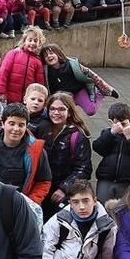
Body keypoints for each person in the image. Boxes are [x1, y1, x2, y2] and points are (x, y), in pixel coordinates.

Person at [40, 92, 93, 220]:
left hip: (62, 192)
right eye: (52, 109)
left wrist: (64, 188)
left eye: (61, 109)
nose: (56, 113)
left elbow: (83, 169)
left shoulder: (77, 136)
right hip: (42, 188)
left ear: (69, 112)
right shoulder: (42, 129)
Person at [92, 102, 130, 203]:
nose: (120, 127)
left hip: (128, 181)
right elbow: (98, 148)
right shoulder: (108, 133)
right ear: (111, 122)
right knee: (102, 207)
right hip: (106, 179)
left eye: (124, 124)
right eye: (117, 124)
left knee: (124, 209)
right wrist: (111, 134)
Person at [0, 103, 51, 205]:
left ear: (26, 126)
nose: (16, 129)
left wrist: (30, 202)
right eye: (12, 123)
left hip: (22, 204)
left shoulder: (37, 150)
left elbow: (44, 181)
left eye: (21, 125)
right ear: (3, 123)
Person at [40, 43, 117, 117]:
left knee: (91, 111)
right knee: (64, 115)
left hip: (78, 91)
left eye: (51, 53)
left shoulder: (72, 65)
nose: (49, 56)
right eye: (46, 55)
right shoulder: (46, 71)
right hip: (62, 96)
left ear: (58, 53)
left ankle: (100, 94)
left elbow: (93, 76)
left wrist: (108, 89)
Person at [0, 27, 46, 104]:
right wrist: (1, 91)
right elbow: (3, 72)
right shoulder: (13, 54)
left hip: (27, 100)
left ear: (39, 44)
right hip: (10, 97)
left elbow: (39, 82)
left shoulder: (38, 62)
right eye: (30, 40)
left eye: (35, 41)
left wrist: (40, 96)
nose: (32, 43)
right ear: (24, 41)